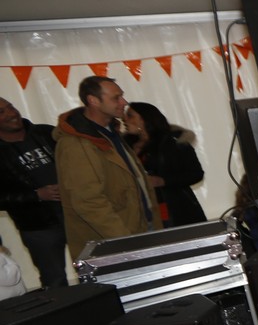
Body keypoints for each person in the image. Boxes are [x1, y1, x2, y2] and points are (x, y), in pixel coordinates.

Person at [54, 76, 158, 258]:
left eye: (122, 96)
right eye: (116, 98)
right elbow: (88, 201)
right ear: (93, 101)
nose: (124, 102)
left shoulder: (110, 133)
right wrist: (125, 240)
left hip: (140, 228)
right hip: (115, 241)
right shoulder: (76, 144)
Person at [0, 97, 67, 287]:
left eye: (11, 106)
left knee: (94, 268)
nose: (11, 113)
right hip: (38, 226)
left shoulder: (46, 132)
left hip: (76, 213)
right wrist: (36, 195)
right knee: (54, 280)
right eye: (1, 112)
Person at [122, 102, 207, 228]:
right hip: (139, 211)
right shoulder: (124, 145)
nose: (124, 119)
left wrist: (163, 181)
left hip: (172, 209)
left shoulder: (174, 141)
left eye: (130, 115)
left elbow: (196, 174)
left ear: (144, 118)